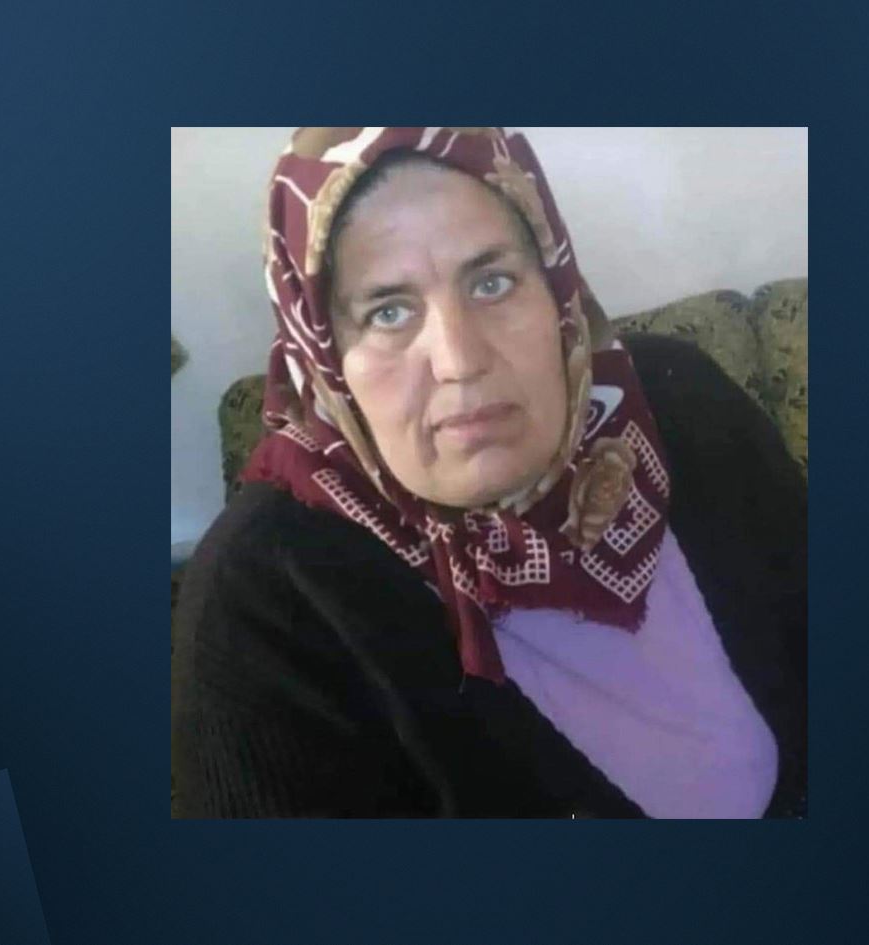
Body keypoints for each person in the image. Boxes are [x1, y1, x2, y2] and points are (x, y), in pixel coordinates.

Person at [171, 127, 806, 818]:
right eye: (388, 311)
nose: (459, 359)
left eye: (492, 282)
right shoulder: (263, 607)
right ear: (323, 354)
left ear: (557, 289)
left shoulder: (685, 408)